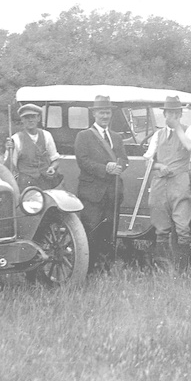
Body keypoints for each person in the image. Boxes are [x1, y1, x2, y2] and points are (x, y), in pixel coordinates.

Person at [144, 95, 191, 271]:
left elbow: (190, 146)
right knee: (160, 227)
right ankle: (162, 268)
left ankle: (182, 270)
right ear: (164, 115)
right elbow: (147, 160)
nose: (172, 117)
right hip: (160, 183)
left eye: (176, 113)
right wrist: (159, 165)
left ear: (180, 114)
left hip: (179, 182)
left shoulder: (189, 130)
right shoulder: (157, 135)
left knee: (183, 226)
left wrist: (178, 129)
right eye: (169, 113)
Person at [74, 95, 128, 270]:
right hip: (92, 193)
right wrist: (106, 168)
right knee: (91, 232)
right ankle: (87, 269)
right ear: (94, 114)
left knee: (109, 233)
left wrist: (119, 166)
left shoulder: (116, 137)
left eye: (107, 113)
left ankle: (106, 268)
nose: (105, 116)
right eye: (101, 113)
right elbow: (83, 161)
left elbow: (124, 160)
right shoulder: (84, 136)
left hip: (113, 193)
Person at [4, 103, 62, 190]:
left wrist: (52, 168)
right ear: (22, 120)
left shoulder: (47, 135)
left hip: (46, 182)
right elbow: (9, 167)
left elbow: (55, 160)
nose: (30, 120)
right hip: (26, 185)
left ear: (38, 118)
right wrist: (9, 151)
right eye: (27, 117)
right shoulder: (15, 139)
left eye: (33, 117)